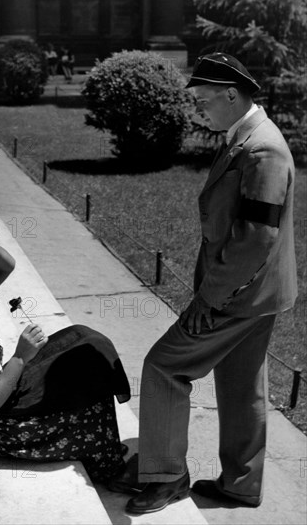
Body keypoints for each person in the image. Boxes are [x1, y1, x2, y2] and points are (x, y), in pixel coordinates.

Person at [109, 53, 298, 513]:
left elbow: (256, 238)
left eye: (203, 100)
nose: (198, 110)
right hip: (258, 293)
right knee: (241, 387)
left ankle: (167, 475)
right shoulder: (245, 136)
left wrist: (208, 300)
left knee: (163, 367)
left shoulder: (262, 150)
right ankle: (241, 485)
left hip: (237, 294)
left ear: (232, 95)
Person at [0, 238, 131, 483]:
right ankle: (108, 467)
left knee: (83, 343)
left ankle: (103, 446)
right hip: (6, 428)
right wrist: (21, 355)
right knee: (89, 377)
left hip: (6, 399)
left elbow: (6, 266)